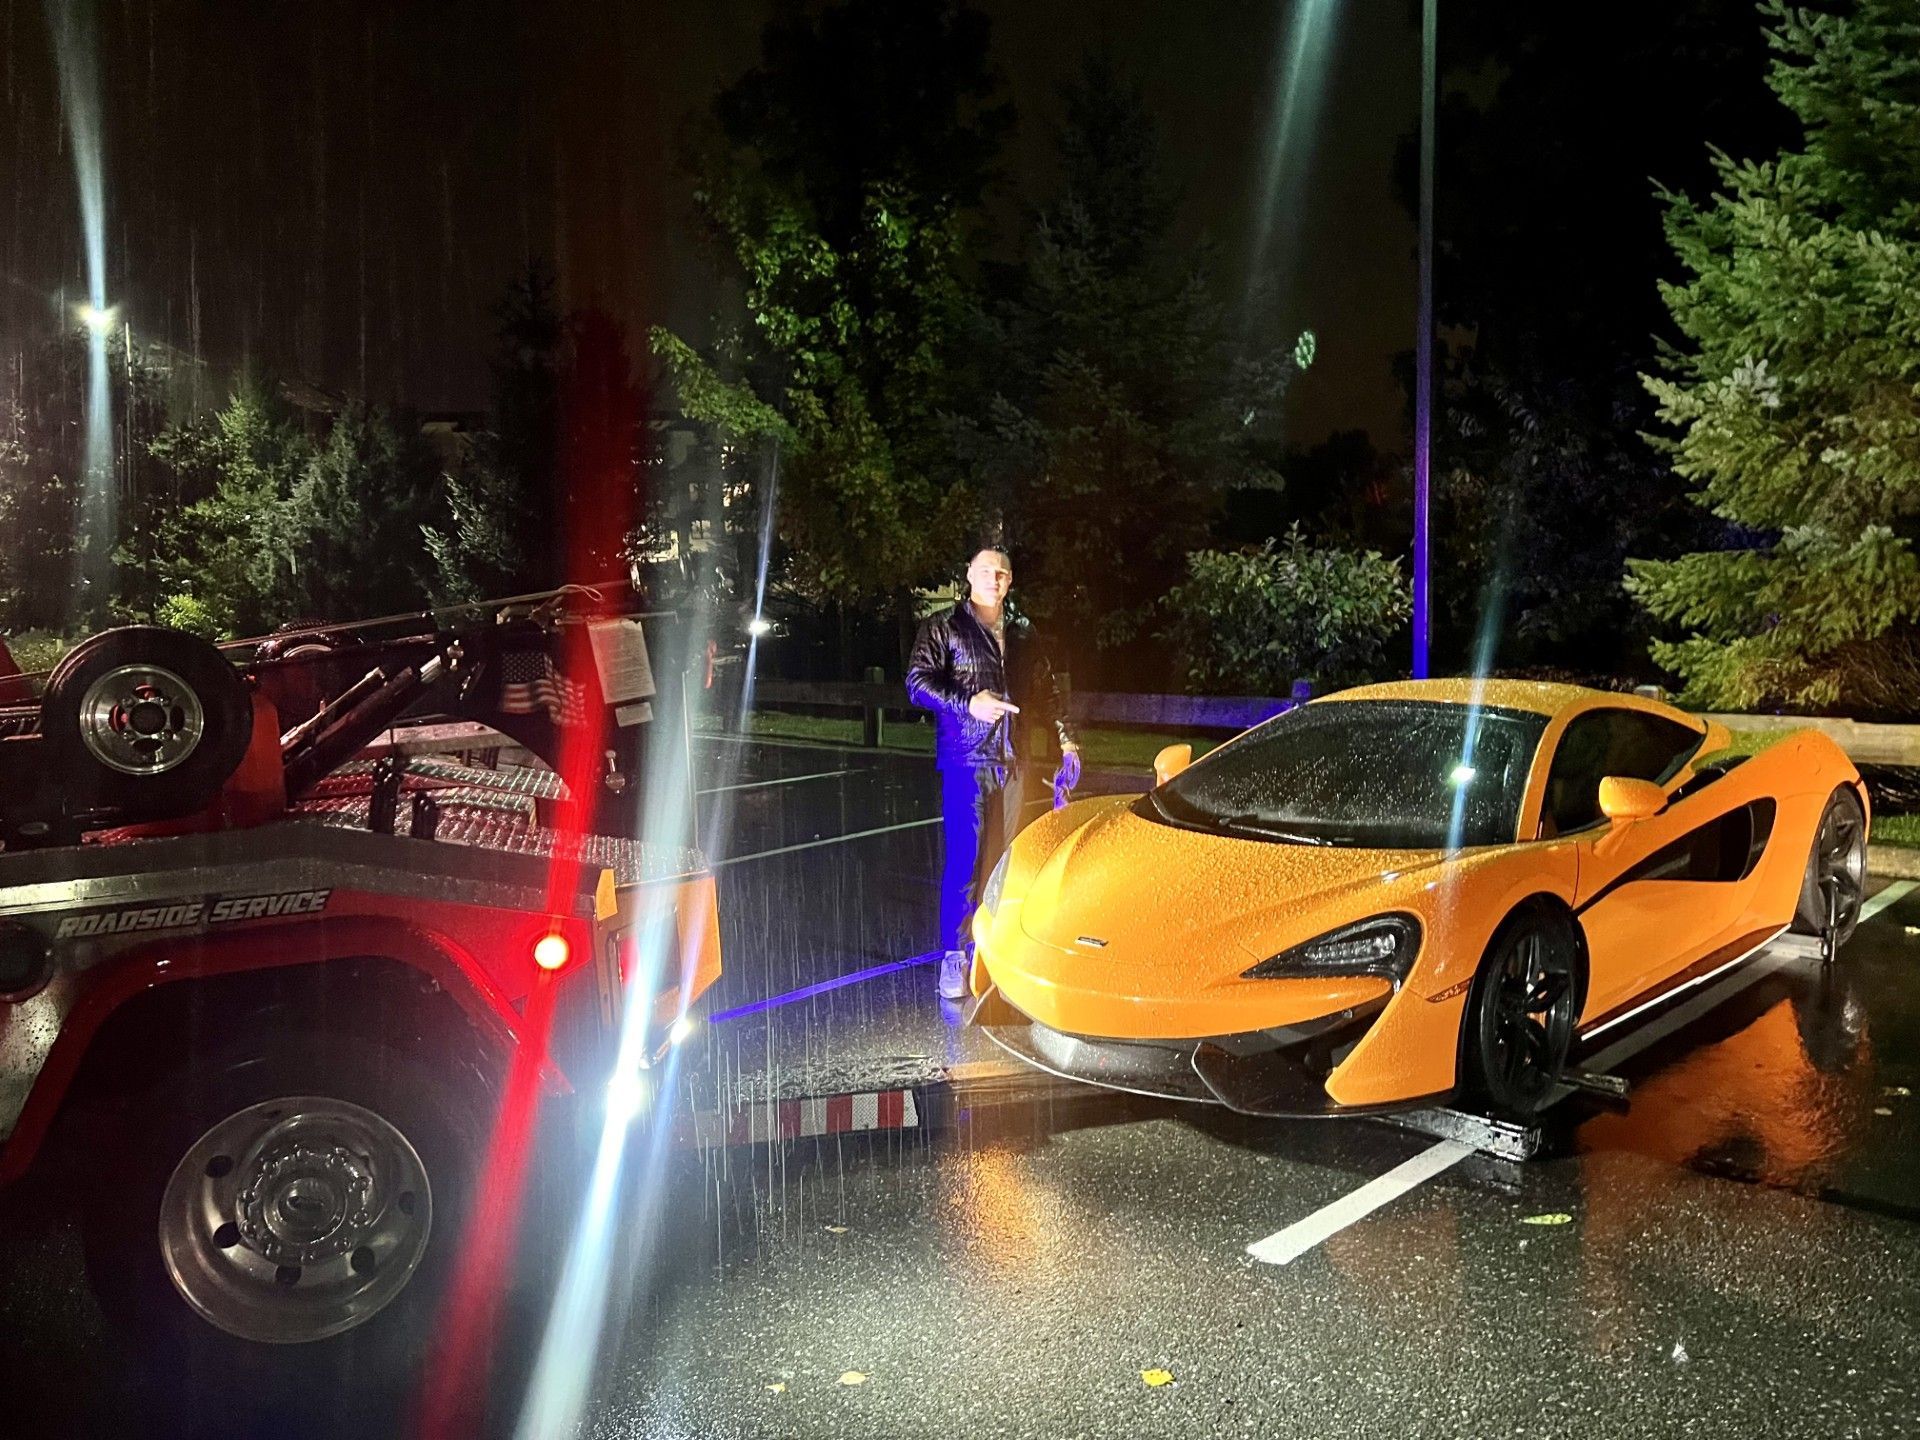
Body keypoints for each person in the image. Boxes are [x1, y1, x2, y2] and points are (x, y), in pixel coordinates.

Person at [906, 545, 1080, 1001]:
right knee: (965, 859)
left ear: (1010, 582)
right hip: (966, 759)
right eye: (986, 570)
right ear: (969, 575)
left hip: (1014, 761)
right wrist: (969, 703)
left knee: (1005, 862)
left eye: (1002, 573)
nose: (995, 578)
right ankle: (954, 953)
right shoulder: (944, 627)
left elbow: (1045, 689)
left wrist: (1067, 739)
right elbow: (917, 683)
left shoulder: (1022, 632)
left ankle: (995, 951)